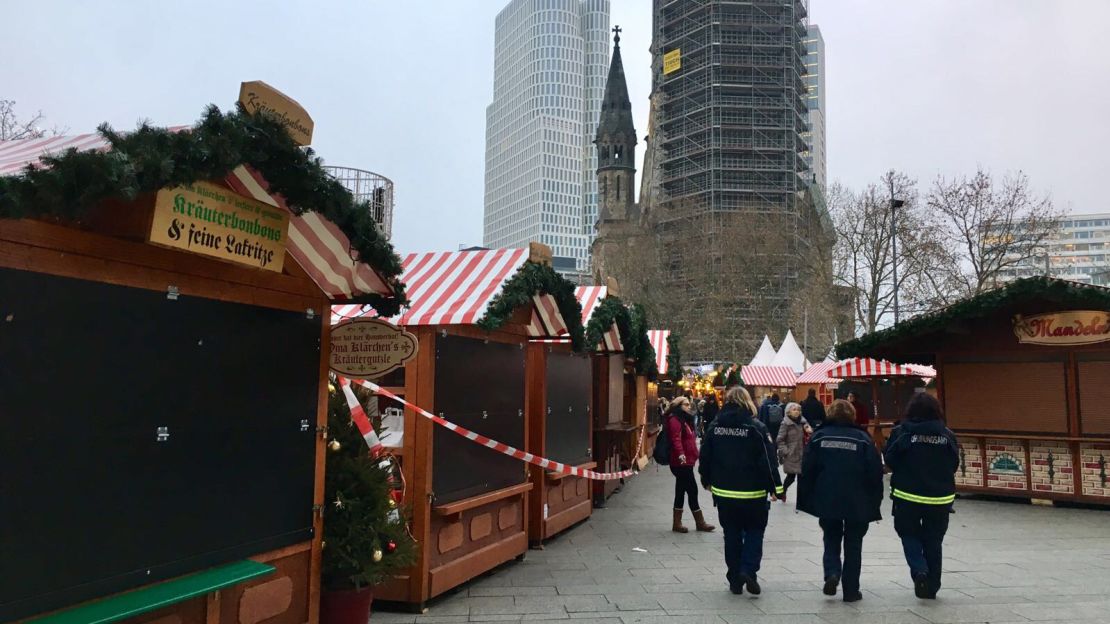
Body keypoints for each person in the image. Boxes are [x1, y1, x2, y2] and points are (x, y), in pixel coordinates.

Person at [699, 386, 783, 595]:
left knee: (731, 534)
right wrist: (776, 488)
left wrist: (706, 480)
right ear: (748, 402)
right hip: (753, 493)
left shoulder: (715, 426)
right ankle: (748, 569)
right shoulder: (756, 428)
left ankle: (734, 578)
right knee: (755, 531)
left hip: (725, 492)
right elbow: (768, 460)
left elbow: (705, 456)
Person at [797, 400, 883, 603]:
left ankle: (832, 573)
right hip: (857, 499)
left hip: (827, 497)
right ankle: (851, 590)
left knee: (831, 537)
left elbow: (808, 468)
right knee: (854, 543)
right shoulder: (863, 438)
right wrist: (875, 499)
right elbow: (875, 472)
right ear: (852, 415)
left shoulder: (819, 436)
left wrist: (807, 496)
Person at [883, 393, 958, 600]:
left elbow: (890, 459)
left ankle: (919, 570)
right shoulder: (947, 435)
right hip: (940, 498)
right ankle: (932, 586)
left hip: (907, 496)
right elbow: (954, 464)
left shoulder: (901, 432)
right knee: (934, 540)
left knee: (908, 534)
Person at [665, 397, 715, 534]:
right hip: (681, 462)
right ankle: (700, 522)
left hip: (687, 461)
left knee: (680, 490)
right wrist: (681, 454)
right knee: (692, 490)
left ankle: (677, 523)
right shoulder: (675, 419)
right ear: (679, 405)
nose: (689, 406)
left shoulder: (685, 420)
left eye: (689, 404)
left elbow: (690, 440)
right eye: (686, 404)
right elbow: (675, 439)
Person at [775, 402, 811, 502]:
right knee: (791, 477)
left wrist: (809, 431)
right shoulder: (785, 424)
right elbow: (780, 440)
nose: (797, 412)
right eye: (794, 409)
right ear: (788, 412)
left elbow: (809, 435)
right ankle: (784, 490)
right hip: (791, 454)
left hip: (802, 453)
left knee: (802, 478)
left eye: (798, 410)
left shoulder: (804, 422)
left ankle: (802, 499)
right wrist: (786, 451)